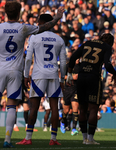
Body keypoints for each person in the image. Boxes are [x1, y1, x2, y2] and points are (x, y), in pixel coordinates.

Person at [1, 1, 64, 148]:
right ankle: (7, 140)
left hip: (1, 68)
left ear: (5, 13)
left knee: (27, 106)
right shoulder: (24, 28)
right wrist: (57, 17)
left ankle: (23, 138)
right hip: (16, 71)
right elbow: (45, 27)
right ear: (19, 13)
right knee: (11, 106)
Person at [16, 13, 66, 145]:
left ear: (42, 23)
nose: (37, 24)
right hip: (54, 75)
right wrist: (62, 80)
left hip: (38, 75)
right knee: (55, 108)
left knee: (34, 107)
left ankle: (28, 138)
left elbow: (28, 59)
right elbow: (64, 62)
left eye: (38, 22)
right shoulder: (59, 39)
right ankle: (53, 139)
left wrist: (26, 75)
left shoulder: (34, 37)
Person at [67, 33, 116, 145]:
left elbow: (73, 57)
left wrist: (70, 73)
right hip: (93, 78)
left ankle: (84, 139)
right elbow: (108, 65)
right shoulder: (107, 47)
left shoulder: (87, 43)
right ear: (110, 42)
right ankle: (90, 139)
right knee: (93, 109)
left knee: (82, 109)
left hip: (81, 77)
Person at [60, 58, 80, 136]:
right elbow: (61, 75)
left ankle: (74, 129)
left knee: (75, 109)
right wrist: (71, 77)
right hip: (67, 90)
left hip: (76, 90)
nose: (78, 60)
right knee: (66, 110)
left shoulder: (81, 67)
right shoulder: (67, 66)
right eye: (77, 58)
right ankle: (62, 121)